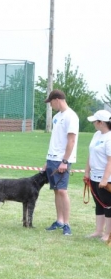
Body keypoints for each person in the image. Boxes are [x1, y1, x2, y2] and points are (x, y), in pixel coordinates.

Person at [44, 89, 79, 236]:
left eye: (51, 102)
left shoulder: (71, 116)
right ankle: (59, 221)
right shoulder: (57, 117)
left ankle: (66, 224)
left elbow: (71, 140)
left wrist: (64, 161)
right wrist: (47, 159)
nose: (51, 105)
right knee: (56, 191)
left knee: (63, 191)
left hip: (62, 160)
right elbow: (55, 139)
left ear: (57, 99)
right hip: (52, 158)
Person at [83, 110, 111, 241]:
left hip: (106, 179)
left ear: (101, 122)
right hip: (94, 176)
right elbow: (90, 154)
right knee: (99, 204)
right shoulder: (96, 135)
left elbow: (110, 161)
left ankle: (108, 233)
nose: (93, 123)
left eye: (95, 121)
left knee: (107, 205)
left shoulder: (109, 138)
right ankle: (98, 231)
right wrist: (87, 172)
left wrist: (105, 179)